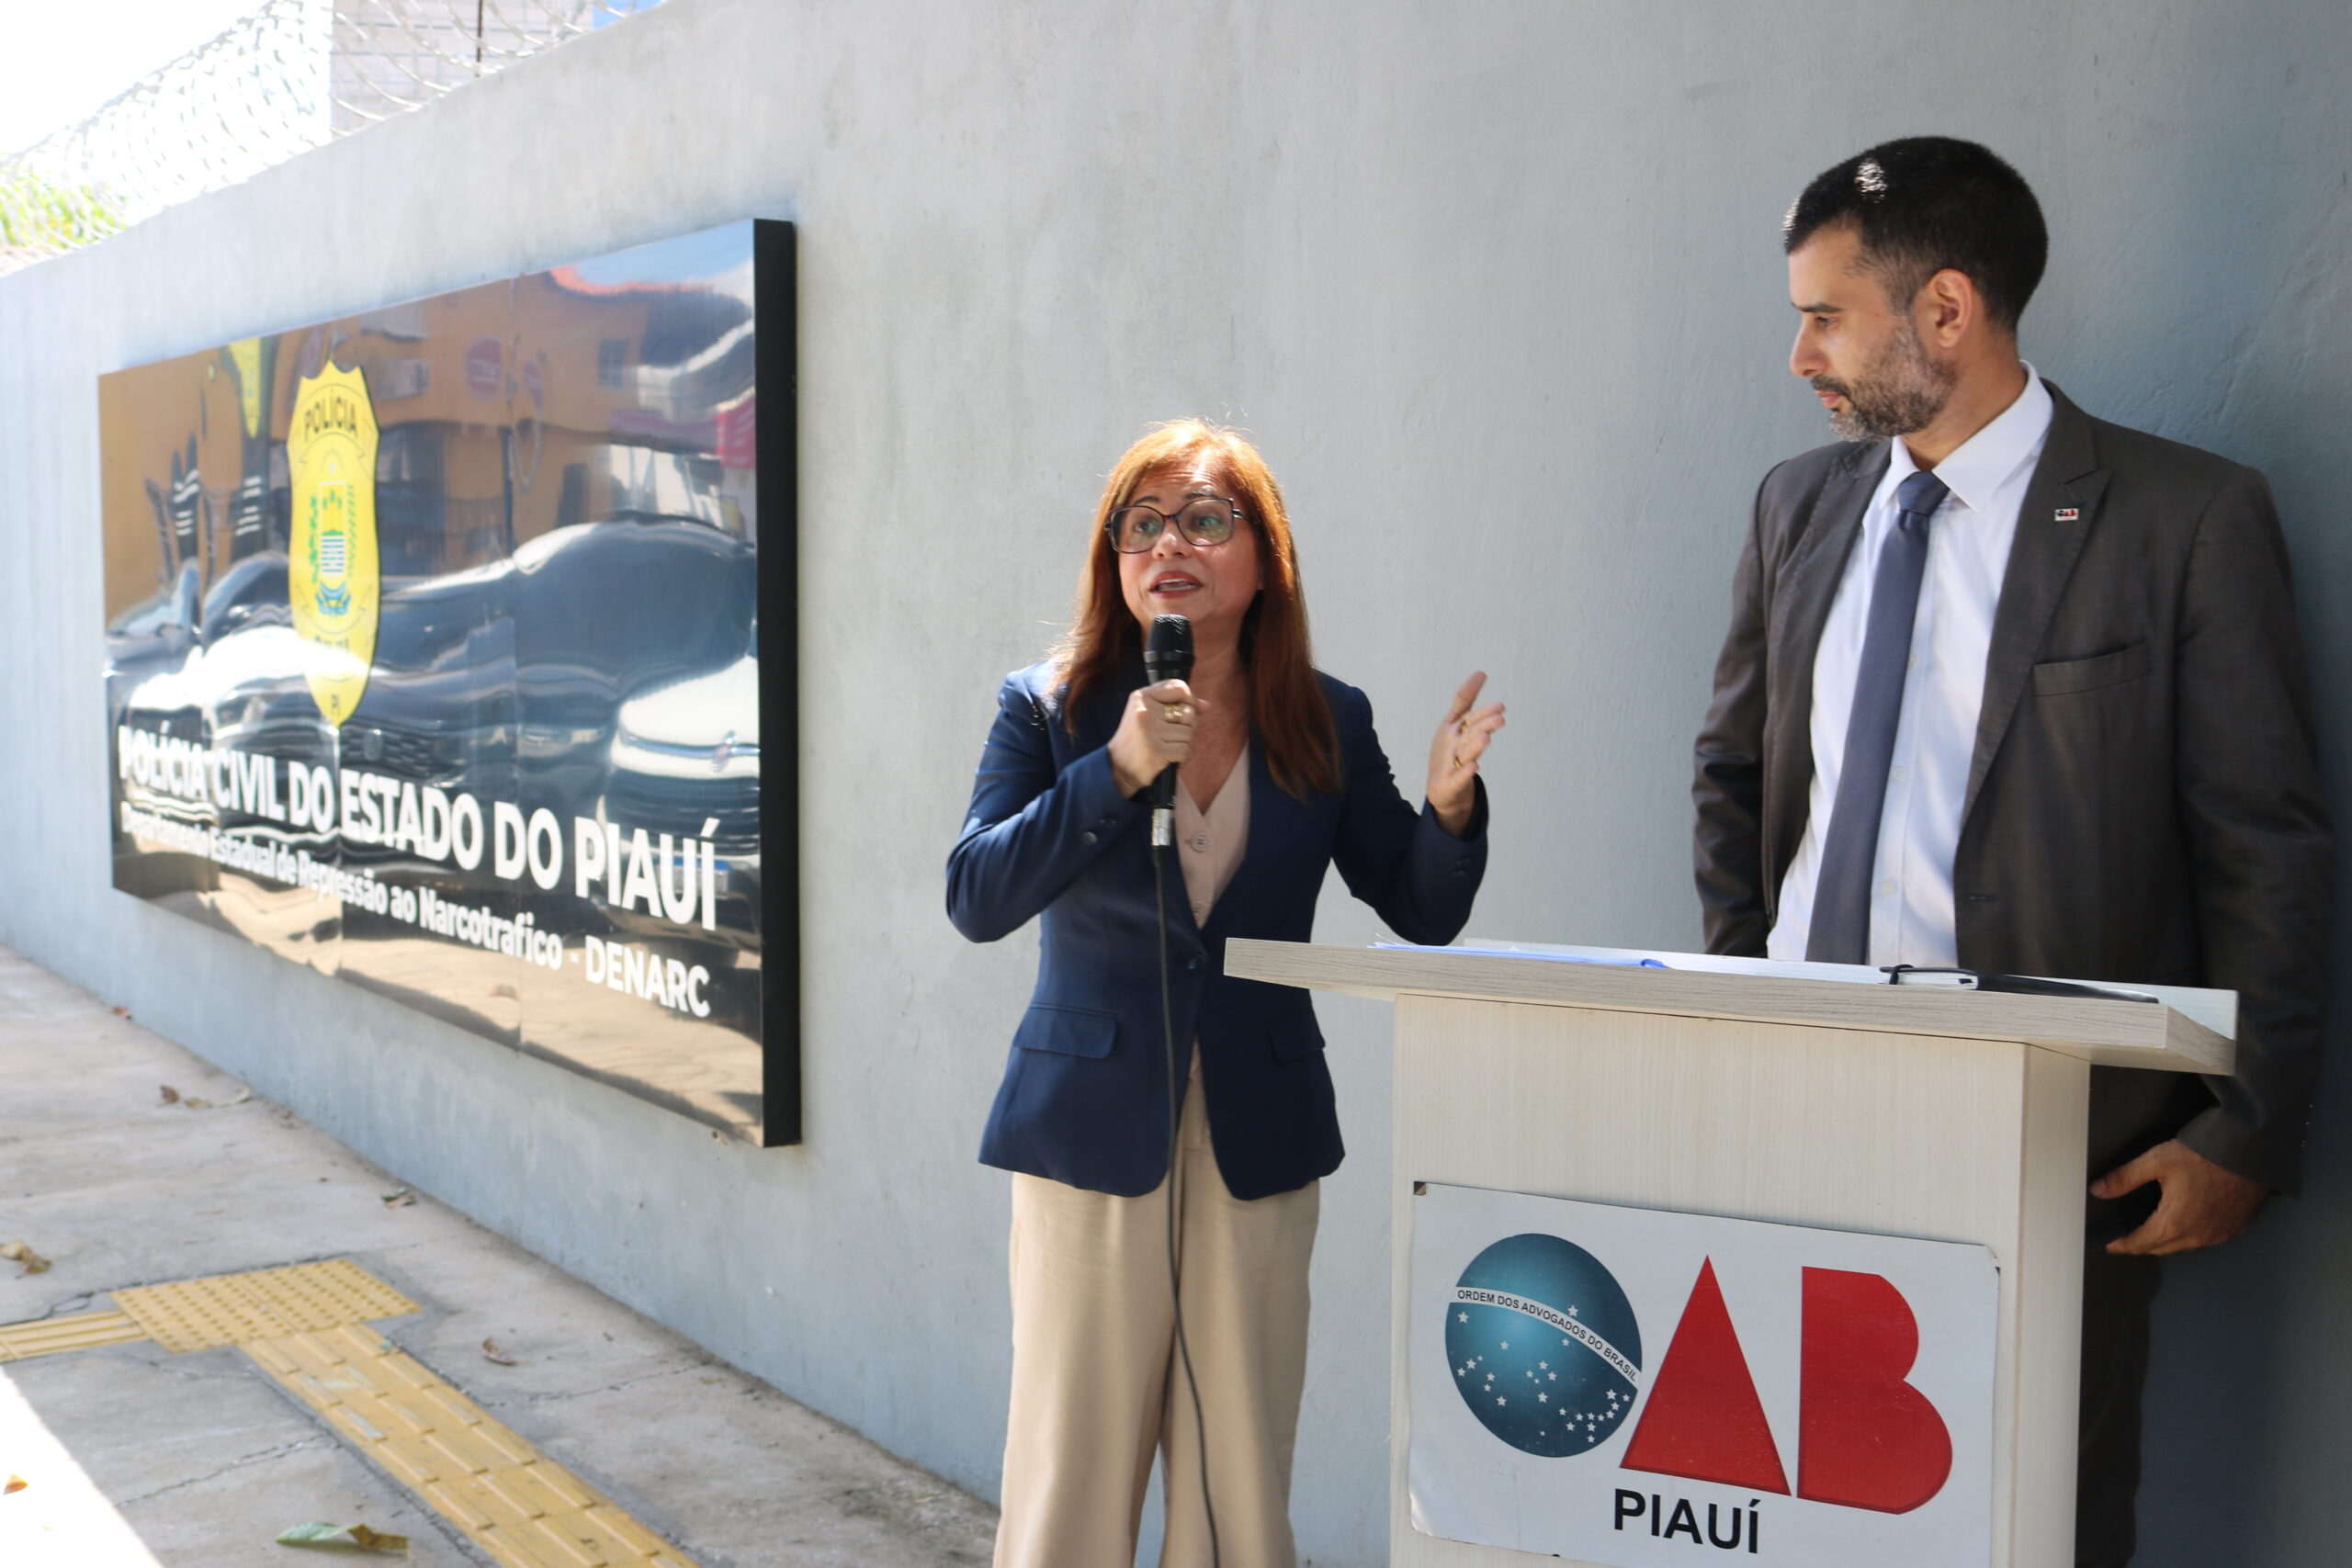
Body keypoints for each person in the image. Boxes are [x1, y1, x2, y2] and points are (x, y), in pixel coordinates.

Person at [1690, 137, 2332, 1566]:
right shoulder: (1798, 507)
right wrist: (1745, 996)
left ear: (1947, 309)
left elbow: (2265, 844)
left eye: (1826, 314)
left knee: (2034, 1519)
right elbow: (1736, 777)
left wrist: (2248, 1124)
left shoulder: (2181, 519)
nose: (1800, 355)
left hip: (2051, 1139)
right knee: (1789, 1509)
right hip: (1793, 1103)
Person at [947, 419, 1503, 1567]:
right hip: (1090, 1138)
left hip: (1257, 1130)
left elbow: (1419, 905)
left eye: (1205, 519)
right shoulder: (1048, 708)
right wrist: (1115, 770)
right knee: (1069, 1483)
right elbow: (977, 894)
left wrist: (1450, 807)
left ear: (1264, 561)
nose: (1170, 545)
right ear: (1113, 558)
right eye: (1142, 524)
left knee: (1237, 1484)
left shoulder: (1326, 716)